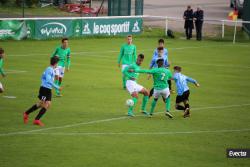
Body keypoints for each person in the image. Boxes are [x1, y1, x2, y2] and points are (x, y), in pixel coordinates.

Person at [23, 56, 62, 126]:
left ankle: (28, 114)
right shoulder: (49, 69)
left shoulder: (51, 69)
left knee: (45, 104)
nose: (58, 65)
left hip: (48, 89)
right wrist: (57, 87)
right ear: (55, 63)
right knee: (43, 104)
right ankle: (34, 118)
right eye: (57, 63)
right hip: (44, 89)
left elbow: (45, 78)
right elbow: (48, 80)